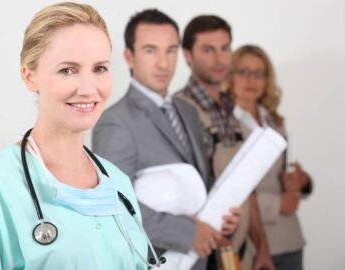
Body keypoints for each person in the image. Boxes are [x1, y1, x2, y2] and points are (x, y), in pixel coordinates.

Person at [0, 3, 152, 269]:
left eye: (99, 68)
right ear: (30, 77)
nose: (88, 89)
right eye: (68, 70)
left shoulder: (117, 183)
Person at [92, 9, 241, 270]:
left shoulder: (187, 111)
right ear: (129, 56)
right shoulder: (114, 121)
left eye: (171, 50)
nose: (163, 63)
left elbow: (199, 183)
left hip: (201, 260)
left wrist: (222, 214)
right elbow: (114, 203)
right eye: (151, 50)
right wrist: (187, 234)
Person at [175, 15, 274, 270]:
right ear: (188, 55)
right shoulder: (178, 112)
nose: (219, 59)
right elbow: (179, 197)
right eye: (208, 50)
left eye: (224, 48)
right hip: (201, 254)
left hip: (236, 252)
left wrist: (261, 247)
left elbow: (246, 187)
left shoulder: (232, 111)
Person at [228, 44, 313, 270]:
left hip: (289, 237)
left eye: (259, 73)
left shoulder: (275, 123)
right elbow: (229, 188)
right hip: (252, 242)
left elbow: (285, 176)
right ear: (231, 76)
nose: (251, 80)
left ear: (267, 80)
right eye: (243, 71)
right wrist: (276, 205)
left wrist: (302, 182)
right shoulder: (224, 125)